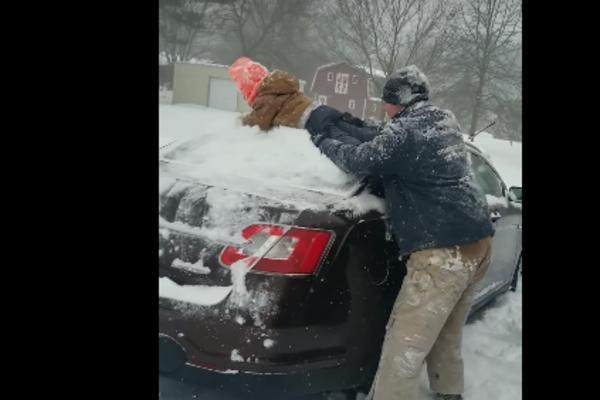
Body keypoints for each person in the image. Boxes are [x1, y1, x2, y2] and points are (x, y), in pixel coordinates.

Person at [231, 58, 494, 400]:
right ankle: (449, 392)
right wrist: (328, 118)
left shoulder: (405, 131)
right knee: (446, 332)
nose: (383, 108)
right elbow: (377, 135)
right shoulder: (441, 119)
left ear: (394, 101)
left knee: (405, 344)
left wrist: (323, 138)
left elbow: (359, 159)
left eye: (385, 101)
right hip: (479, 242)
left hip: (444, 253)